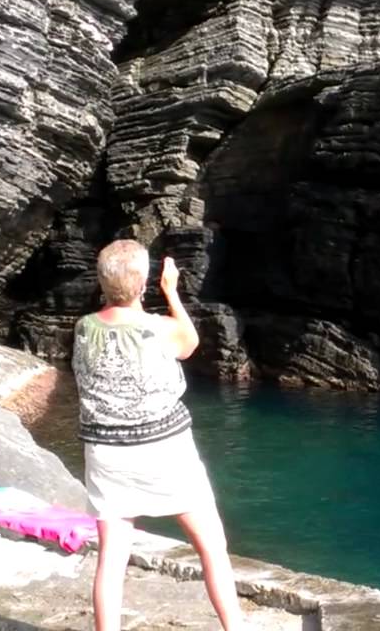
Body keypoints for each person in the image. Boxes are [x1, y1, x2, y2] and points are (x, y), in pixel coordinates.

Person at [72, 240, 242, 631]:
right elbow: (190, 344)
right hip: (164, 454)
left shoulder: (83, 329)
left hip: (106, 453)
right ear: (143, 283)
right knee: (213, 546)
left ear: (102, 282)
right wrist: (172, 294)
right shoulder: (158, 327)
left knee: (112, 559)